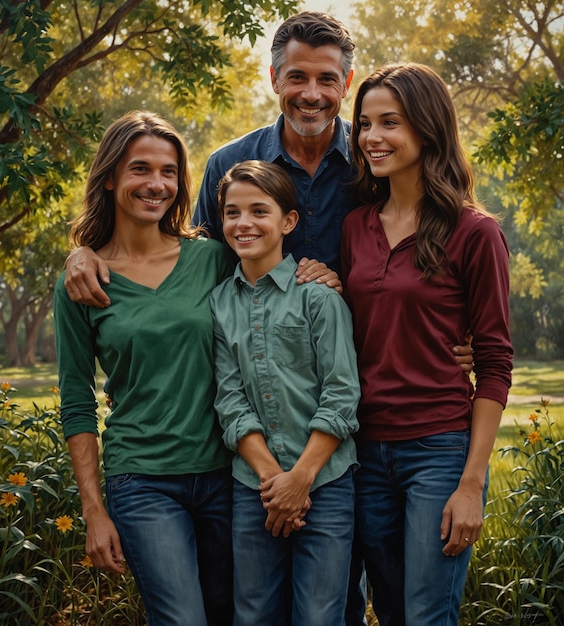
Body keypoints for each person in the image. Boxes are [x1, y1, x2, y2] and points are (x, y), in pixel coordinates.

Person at [60, 12, 473, 625]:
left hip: (346, 435)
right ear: (274, 76)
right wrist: (84, 249)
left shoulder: (369, 167)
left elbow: (419, 247)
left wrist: (448, 338)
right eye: (297, 76)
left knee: (336, 605)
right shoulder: (232, 162)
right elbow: (180, 246)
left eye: (328, 79)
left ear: (346, 81)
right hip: (245, 452)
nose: (312, 92)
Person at [340, 63, 514, 626]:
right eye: (365, 124)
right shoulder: (355, 227)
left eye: (390, 122)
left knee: (425, 614)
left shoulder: (474, 232)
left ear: (428, 127)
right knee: (388, 611)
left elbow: (493, 363)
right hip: (363, 452)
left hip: (438, 452)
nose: (372, 137)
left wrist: (471, 483)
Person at [53, 110, 234, 626]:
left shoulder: (214, 260)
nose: (156, 184)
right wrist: (93, 509)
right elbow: (77, 401)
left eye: (169, 172)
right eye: (140, 169)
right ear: (110, 177)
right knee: (181, 619)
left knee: (235, 614)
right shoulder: (83, 282)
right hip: (143, 480)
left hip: (226, 473)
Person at [210, 160, 361, 626]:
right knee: (253, 613)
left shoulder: (319, 298)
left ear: (288, 221)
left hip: (327, 482)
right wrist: (275, 481)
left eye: (259, 211)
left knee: (319, 615)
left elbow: (341, 394)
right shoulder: (218, 303)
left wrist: (300, 480)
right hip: (254, 486)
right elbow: (230, 400)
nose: (245, 223)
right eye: (233, 213)